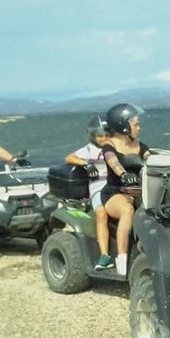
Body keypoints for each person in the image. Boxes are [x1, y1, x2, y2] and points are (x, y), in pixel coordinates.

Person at [100, 103, 151, 276]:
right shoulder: (109, 145)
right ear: (123, 126)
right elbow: (112, 160)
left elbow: (150, 157)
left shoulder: (138, 145)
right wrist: (123, 173)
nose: (139, 127)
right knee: (127, 210)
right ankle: (121, 260)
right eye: (135, 124)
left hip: (137, 192)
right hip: (115, 193)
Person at [65, 114, 112, 270]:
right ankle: (104, 254)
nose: (103, 138)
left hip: (116, 186)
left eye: (106, 135)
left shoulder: (114, 147)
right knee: (101, 213)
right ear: (92, 136)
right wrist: (86, 164)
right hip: (98, 187)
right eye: (99, 136)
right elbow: (69, 157)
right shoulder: (89, 150)